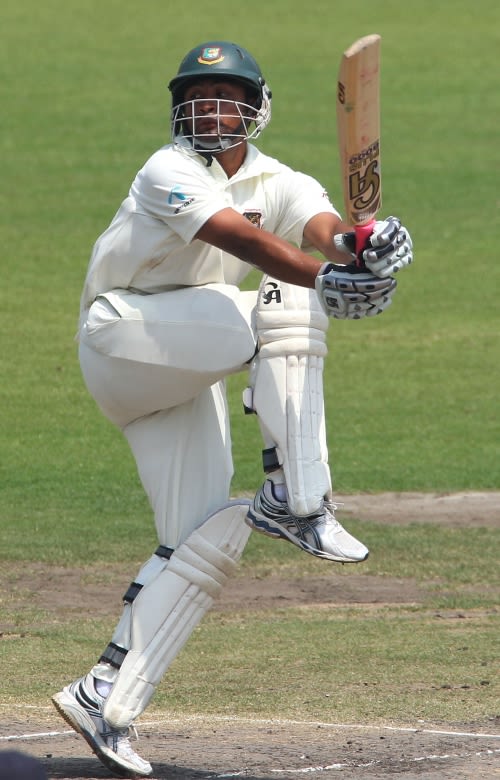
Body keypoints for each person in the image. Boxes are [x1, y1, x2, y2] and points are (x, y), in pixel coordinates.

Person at [52, 41, 413, 778]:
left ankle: (105, 698)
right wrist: (325, 278)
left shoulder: (280, 178)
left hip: (180, 372)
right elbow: (240, 239)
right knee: (280, 299)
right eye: (198, 97)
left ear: (257, 107)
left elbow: (319, 227)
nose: (211, 110)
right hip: (124, 338)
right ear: (178, 109)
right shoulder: (168, 171)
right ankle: (296, 494)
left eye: (227, 97)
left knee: (202, 537)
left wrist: (362, 245)